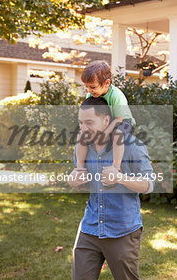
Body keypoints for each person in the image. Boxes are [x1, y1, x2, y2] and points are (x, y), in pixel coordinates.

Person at [69, 97, 154, 280]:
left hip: (122, 231)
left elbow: (148, 184)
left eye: (89, 122)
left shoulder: (132, 147)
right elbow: (83, 180)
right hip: (90, 227)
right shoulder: (83, 146)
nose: (84, 128)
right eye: (81, 123)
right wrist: (73, 180)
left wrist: (121, 178)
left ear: (106, 121)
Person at [76, 60, 135, 172]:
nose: (89, 90)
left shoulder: (116, 96)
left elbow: (119, 119)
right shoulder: (91, 94)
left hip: (124, 121)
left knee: (118, 134)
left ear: (107, 83)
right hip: (105, 122)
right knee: (81, 135)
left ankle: (116, 167)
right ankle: (80, 168)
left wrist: (105, 133)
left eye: (92, 87)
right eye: (87, 87)